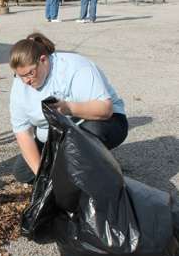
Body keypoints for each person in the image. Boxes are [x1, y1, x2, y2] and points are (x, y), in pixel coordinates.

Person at [9, 32, 128, 184]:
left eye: (30, 73)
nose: (26, 81)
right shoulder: (20, 84)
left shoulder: (75, 67)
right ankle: (65, 175)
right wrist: (41, 176)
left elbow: (105, 109)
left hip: (102, 122)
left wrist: (67, 108)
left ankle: (99, 174)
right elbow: (23, 133)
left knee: (78, 146)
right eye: (20, 75)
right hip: (55, 136)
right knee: (23, 172)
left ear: (43, 60)